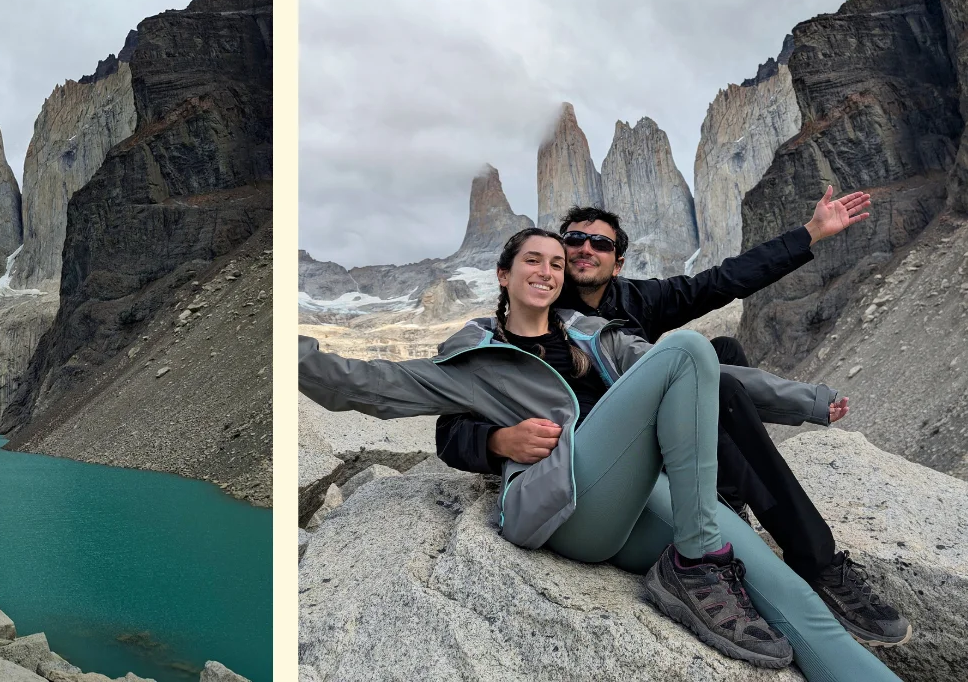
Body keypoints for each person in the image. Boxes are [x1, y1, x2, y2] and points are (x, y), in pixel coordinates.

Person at [298, 228, 900, 681]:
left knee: (795, 603)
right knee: (687, 348)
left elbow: (714, 378)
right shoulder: (475, 360)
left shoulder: (596, 335)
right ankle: (697, 562)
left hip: (648, 504)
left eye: (556, 263)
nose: (548, 270)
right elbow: (365, 384)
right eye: (533, 260)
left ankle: (708, 568)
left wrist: (807, 401)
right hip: (572, 508)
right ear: (503, 275)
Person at [436, 188, 910, 648]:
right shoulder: (538, 315)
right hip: (607, 466)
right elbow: (454, 424)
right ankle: (810, 560)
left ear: (618, 263)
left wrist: (810, 233)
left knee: (723, 352)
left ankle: (731, 502)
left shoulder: (635, 300)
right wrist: (499, 441)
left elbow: (724, 280)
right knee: (719, 384)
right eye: (572, 241)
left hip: (667, 438)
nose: (584, 249)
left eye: (600, 243)